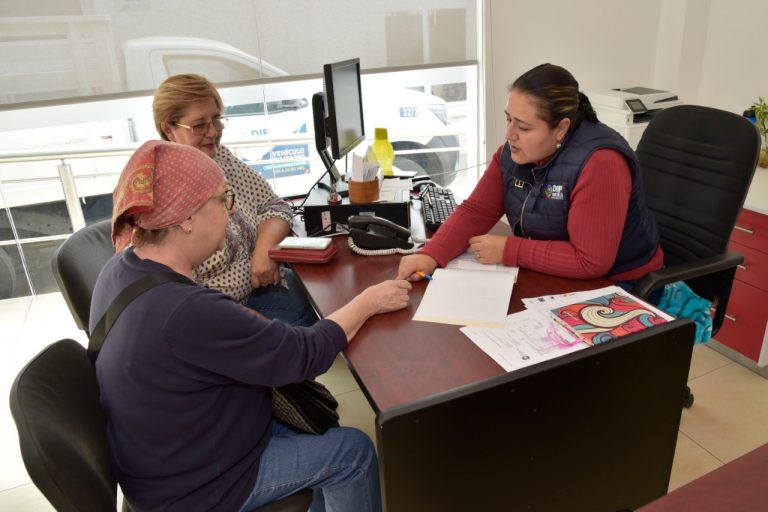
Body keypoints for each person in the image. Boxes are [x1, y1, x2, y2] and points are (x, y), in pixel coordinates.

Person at [94, 140, 411, 511]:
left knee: (318, 424)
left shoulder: (119, 268)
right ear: (185, 219)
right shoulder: (186, 311)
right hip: (197, 488)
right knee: (353, 453)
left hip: (166, 456)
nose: (230, 213)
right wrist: (369, 301)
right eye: (222, 200)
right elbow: (305, 356)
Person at [398, 63, 663, 292]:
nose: (509, 134)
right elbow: (476, 210)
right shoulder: (515, 153)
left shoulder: (601, 164)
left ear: (561, 128)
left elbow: (590, 261)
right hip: (560, 274)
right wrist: (432, 254)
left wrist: (509, 250)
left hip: (620, 285)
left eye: (523, 127)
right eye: (508, 120)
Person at [148, 73, 316, 325]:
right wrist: (252, 327)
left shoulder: (219, 157)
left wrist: (263, 251)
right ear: (169, 130)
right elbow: (184, 298)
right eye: (199, 125)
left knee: (318, 290)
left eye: (216, 119)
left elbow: (274, 205)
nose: (213, 132)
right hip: (220, 317)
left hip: (259, 285)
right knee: (315, 314)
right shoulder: (165, 196)